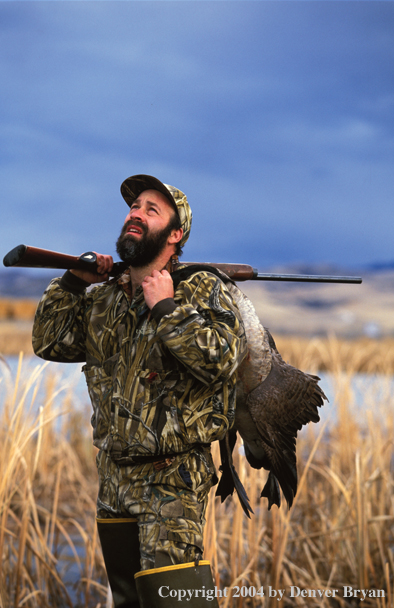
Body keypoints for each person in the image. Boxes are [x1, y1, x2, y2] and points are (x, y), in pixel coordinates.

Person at [32, 174, 247, 608]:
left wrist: (166, 308)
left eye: (152, 210)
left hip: (171, 480)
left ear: (174, 234)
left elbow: (222, 361)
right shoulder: (106, 299)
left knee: (176, 604)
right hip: (114, 480)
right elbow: (49, 342)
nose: (136, 214)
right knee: (129, 602)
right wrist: (73, 281)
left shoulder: (204, 289)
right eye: (134, 207)